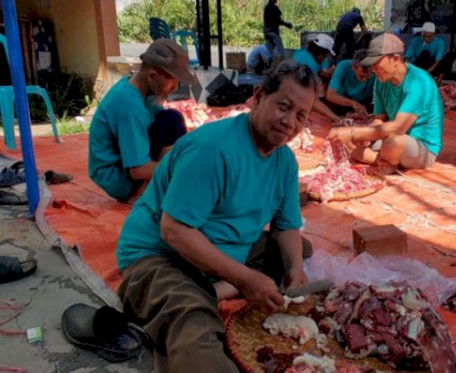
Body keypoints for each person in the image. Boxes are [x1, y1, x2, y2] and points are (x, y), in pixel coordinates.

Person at [116, 62, 317, 373]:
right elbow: (174, 231)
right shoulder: (212, 149)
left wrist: (295, 271)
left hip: (217, 251)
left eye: (301, 116)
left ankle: (214, 288)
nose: (290, 122)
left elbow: (286, 225)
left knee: (297, 250)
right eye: (284, 107)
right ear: (259, 95)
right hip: (162, 255)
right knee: (192, 324)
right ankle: (199, 296)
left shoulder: (285, 161)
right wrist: (245, 278)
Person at [88, 39, 197, 202]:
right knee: (186, 169)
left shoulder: (138, 89)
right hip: (117, 177)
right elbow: (137, 170)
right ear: (153, 76)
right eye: (172, 82)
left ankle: (158, 184)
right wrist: (182, 171)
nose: (175, 88)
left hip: (124, 163)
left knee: (172, 119)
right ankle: (140, 193)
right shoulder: (129, 105)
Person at [327, 33, 444, 172]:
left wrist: (354, 133)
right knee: (348, 144)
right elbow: (379, 120)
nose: (373, 69)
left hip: (421, 147)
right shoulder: (381, 81)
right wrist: (363, 138)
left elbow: (398, 127)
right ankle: (384, 162)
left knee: (393, 142)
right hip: (391, 138)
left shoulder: (419, 81)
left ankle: (382, 160)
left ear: (395, 59)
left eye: (376, 63)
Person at [292, 34, 341, 121]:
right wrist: (335, 117)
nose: (325, 58)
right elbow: (312, 100)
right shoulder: (309, 66)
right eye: (325, 55)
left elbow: (321, 71)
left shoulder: (302, 53)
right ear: (320, 53)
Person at [326, 49, 376, 114]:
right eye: (361, 76)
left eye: (368, 76)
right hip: (344, 101)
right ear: (353, 67)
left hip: (366, 101)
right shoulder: (343, 66)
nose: (364, 80)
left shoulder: (376, 71)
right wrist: (353, 103)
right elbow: (330, 95)